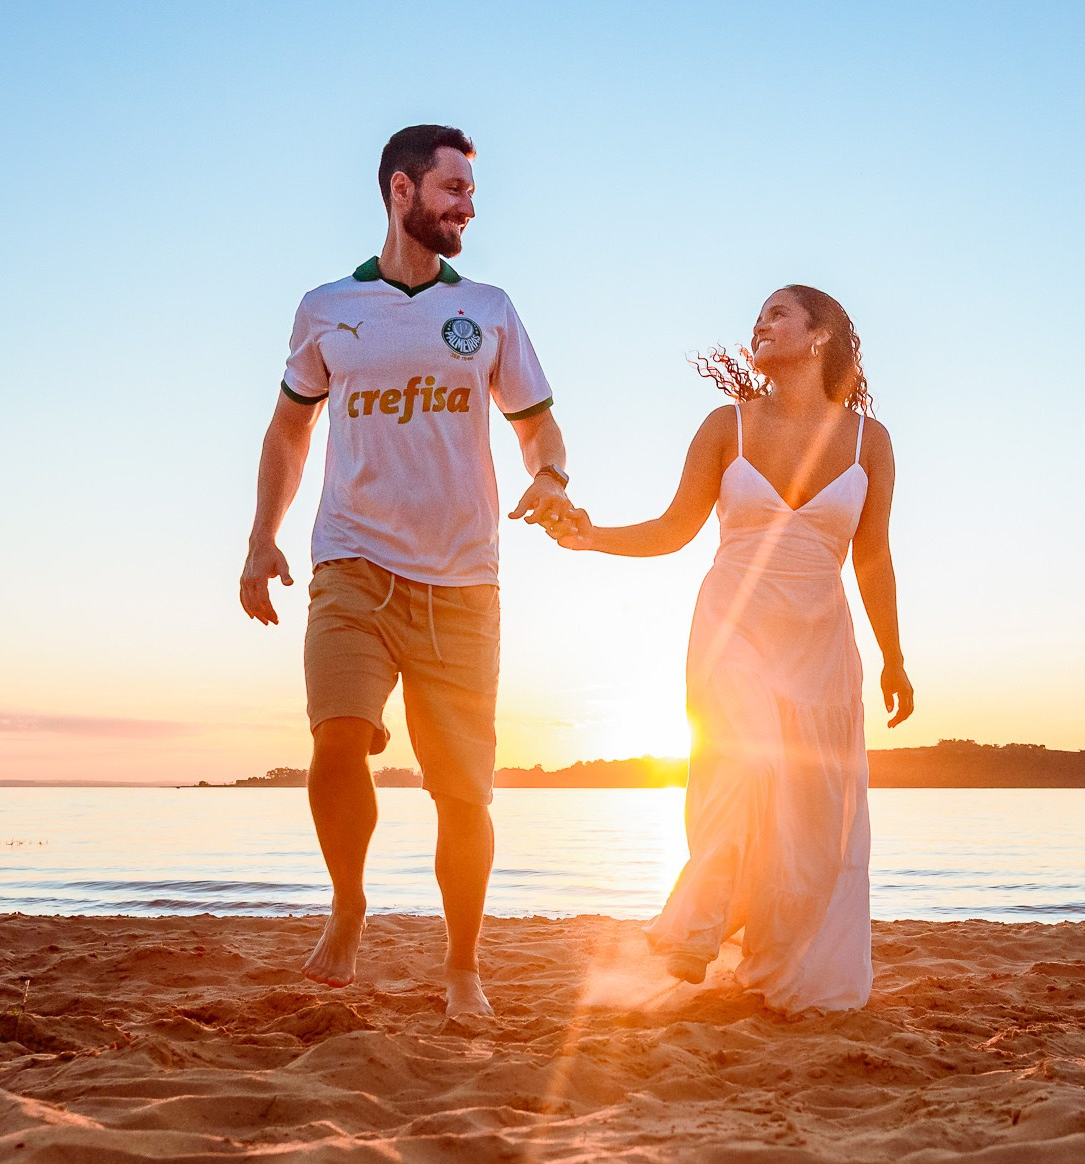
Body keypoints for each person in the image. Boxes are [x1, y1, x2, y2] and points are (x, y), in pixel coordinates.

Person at [239, 125, 573, 1018]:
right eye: (454, 189)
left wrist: (550, 475)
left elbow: (537, 423)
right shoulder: (327, 307)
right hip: (353, 562)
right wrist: (262, 536)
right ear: (402, 190)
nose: (468, 207)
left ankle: (462, 966)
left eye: (471, 193)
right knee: (336, 738)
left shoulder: (490, 310)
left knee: (463, 792)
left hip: (463, 581)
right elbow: (290, 429)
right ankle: (349, 903)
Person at [547, 287, 911, 1013]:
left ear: (820, 336)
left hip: (820, 640)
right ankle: (697, 925)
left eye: (778, 313)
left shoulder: (870, 441)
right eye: (759, 316)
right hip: (733, 624)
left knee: (809, 820)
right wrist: (591, 537)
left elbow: (873, 557)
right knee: (745, 759)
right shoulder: (727, 426)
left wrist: (893, 658)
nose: (760, 323)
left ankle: (773, 964)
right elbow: (674, 528)